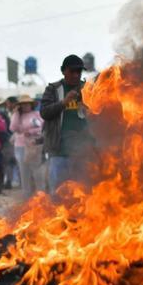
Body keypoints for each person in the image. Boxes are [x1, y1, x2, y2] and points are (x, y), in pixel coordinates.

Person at [41, 54, 95, 193]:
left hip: (83, 151)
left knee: (83, 192)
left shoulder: (88, 89)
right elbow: (44, 113)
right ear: (63, 71)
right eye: (72, 71)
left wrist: (90, 107)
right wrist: (64, 102)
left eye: (79, 71)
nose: (76, 75)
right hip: (59, 150)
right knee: (58, 192)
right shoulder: (53, 89)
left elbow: (99, 115)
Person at [9, 94, 45, 198]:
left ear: (31, 104)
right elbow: (13, 128)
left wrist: (30, 131)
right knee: (24, 172)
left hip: (36, 145)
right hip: (21, 146)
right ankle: (26, 195)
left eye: (27, 104)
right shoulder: (18, 116)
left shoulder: (37, 114)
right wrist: (16, 112)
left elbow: (42, 128)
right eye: (22, 104)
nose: (25, 106)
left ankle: (41, 194)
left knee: (37, 171)